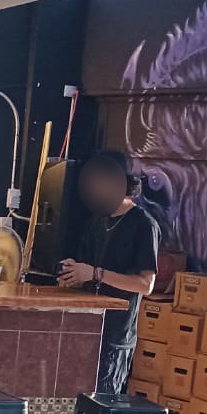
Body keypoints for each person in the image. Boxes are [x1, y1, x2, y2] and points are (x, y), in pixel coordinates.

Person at [57, 150, 160, 393]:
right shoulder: (96, 220)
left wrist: (96, 273)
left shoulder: (144, 224)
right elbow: (88, 270)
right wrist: (74, 274)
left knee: (102, 403)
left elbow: (145, 284)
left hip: (115, 336)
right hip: (87, 329)